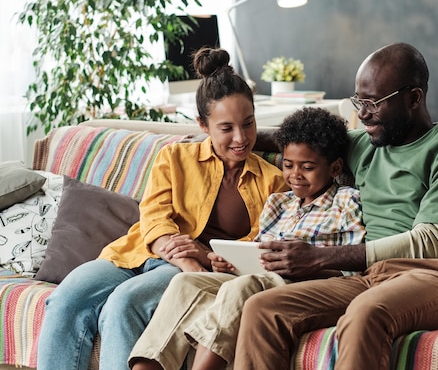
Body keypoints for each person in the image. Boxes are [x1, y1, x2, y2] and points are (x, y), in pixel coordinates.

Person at [231, 42, 438, 370]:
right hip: (373, 276)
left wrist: (320, 257)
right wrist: (230, 138)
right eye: (358, 101)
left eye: (372, 103)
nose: (362, 113)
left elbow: (431, 242)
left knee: (366, 311)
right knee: (263, 308)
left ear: (414, 98)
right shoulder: (367, 144)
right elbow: (299, 140)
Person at [36, 47, 288, 370]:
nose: (241, 137)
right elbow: (153, 215)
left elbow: (256, 247)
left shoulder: (273, 182)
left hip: (186, 273)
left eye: (249, 124)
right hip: (137, 252)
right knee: (64, 301)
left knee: (122, 305)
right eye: (226, 128)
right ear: (202, 124)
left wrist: (201, 254)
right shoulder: (174, 158)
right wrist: (184, 255)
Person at [129, 107, 366, 370]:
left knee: (240, 288)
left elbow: (352, 267)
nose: (295, 175)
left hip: (305, 285)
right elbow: (256, 252)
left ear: (335, 168)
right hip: (260, 278)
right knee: (186, 282)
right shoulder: (278, 202)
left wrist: (310, 263)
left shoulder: (346, 201)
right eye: (288, 165)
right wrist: (227, 263)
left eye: (307, 167)